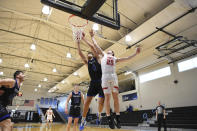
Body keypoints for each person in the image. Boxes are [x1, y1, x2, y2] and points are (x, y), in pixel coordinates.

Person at [88, 30, 140, 129]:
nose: (108, 51)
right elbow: (96, 45)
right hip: (105, 77)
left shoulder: (115, 59)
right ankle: (109, 119)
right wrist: (92, 36)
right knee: (107, 98)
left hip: (113, 77)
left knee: (116, 98)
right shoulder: (103, 55)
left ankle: (118, 118)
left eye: (110, 51)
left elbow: (128, 58)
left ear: (113, 54)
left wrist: (136, 53)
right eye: (108, 51)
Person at [76, 32, 105, 131]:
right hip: (93, 83)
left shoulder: (97, 58)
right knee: (87, 103)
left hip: (101, 82)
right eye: (87, 54)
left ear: (92, 55)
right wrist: (78, 42)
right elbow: (80, 53)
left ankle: (99, 113)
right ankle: (83, 120)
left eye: (89, 53)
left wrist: (84, 39)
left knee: (101, 103)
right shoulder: (87, 63)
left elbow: (93, 47)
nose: (88, 54)